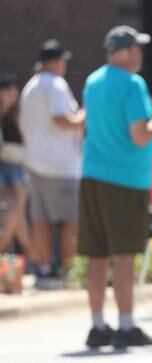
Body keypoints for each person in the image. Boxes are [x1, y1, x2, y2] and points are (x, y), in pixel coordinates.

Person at [79, 25, 152, 348]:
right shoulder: (133, 84)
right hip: (126, 179)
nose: (141, 55)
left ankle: (97, 325)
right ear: (129, 50)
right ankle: (126, 324)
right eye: (138, 48)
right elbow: (140, 135)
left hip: (92, 175)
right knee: (123, 256)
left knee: (97, 255)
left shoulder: (92, 81)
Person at [19, 39, 84, 290]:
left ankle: (43, 270)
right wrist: (81, 119)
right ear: (56, 61)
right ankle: (70, 272)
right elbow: (60, 119)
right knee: (70, 221)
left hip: (34, 163)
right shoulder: (55, 84)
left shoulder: (31, 86)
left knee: (40, 220)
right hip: (60, 166)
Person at [0, 73, 31, 256]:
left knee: (18, 215)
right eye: (8, 89)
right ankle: (31, 256)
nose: (13, 93)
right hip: (2, 168)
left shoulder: (17, 112)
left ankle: (31, 256)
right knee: (11, 214)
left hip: (17, 167)